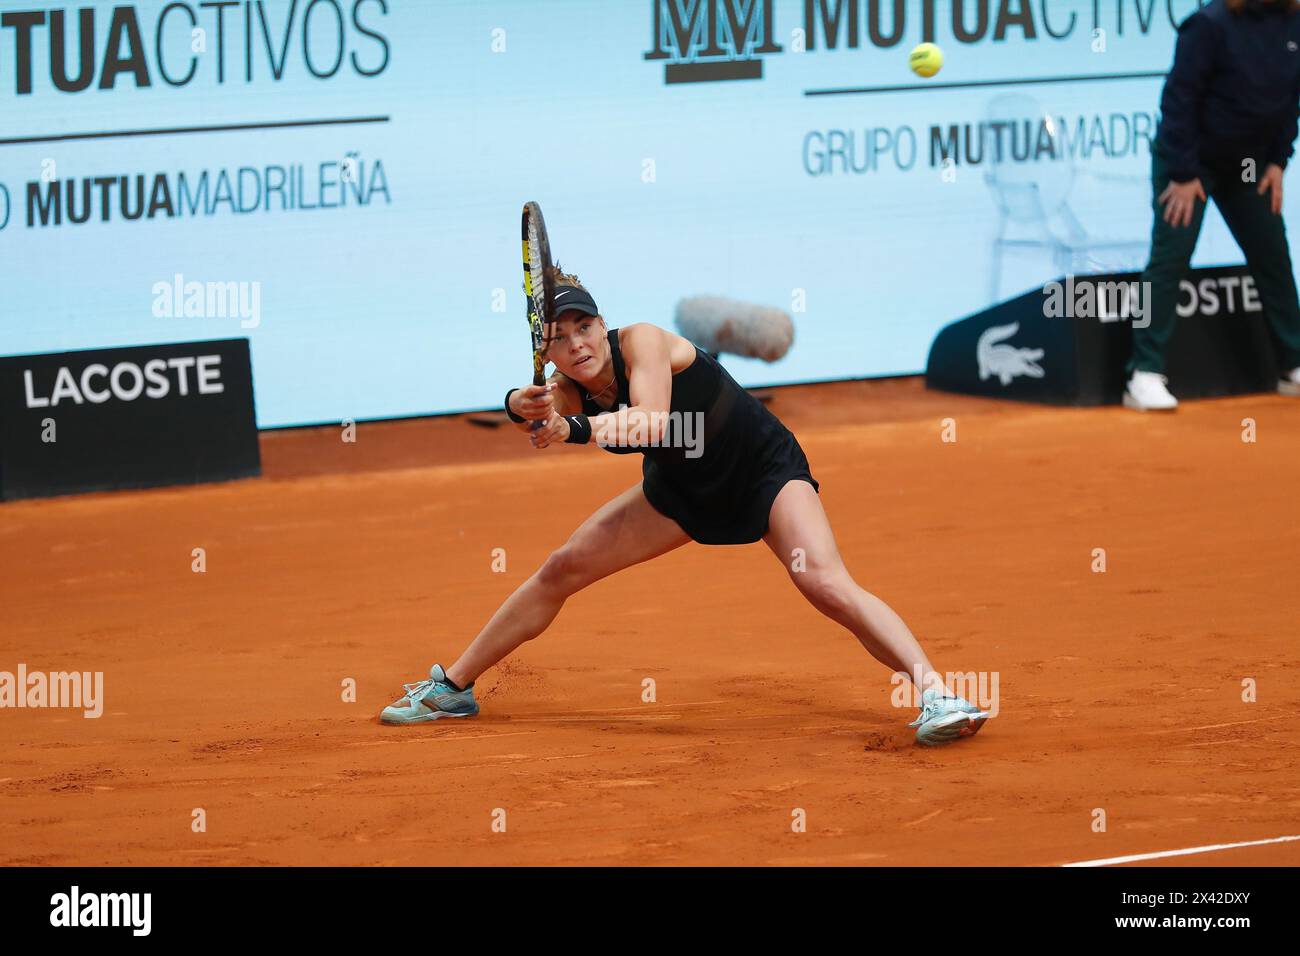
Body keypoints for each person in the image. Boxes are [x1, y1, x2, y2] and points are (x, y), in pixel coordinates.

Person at [381, 269, 991, 746]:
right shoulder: (567, 388)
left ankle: (938, 695)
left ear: (602, 325)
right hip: (681, 492)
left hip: (760, 471)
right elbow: (528, 411)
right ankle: (453, 688)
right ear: (550, 351)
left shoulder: (643, 341)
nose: (577, 344)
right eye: (560, 339)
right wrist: (521, 403)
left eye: (585, 327)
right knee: (563, 566)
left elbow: (649, 423)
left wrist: (571, 430)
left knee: (824, 583)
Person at [1125, 0, 1300, 411]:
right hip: (1192, 163)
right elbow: (1178, 101)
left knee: (1272, 255)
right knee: (1170, 261)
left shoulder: (1295, 22)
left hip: (1248, 166)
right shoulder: (1208, 25)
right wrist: (1184, 173)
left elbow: (1292, 98)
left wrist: (1277, 160)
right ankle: (1143, 374)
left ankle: (1293, 366)